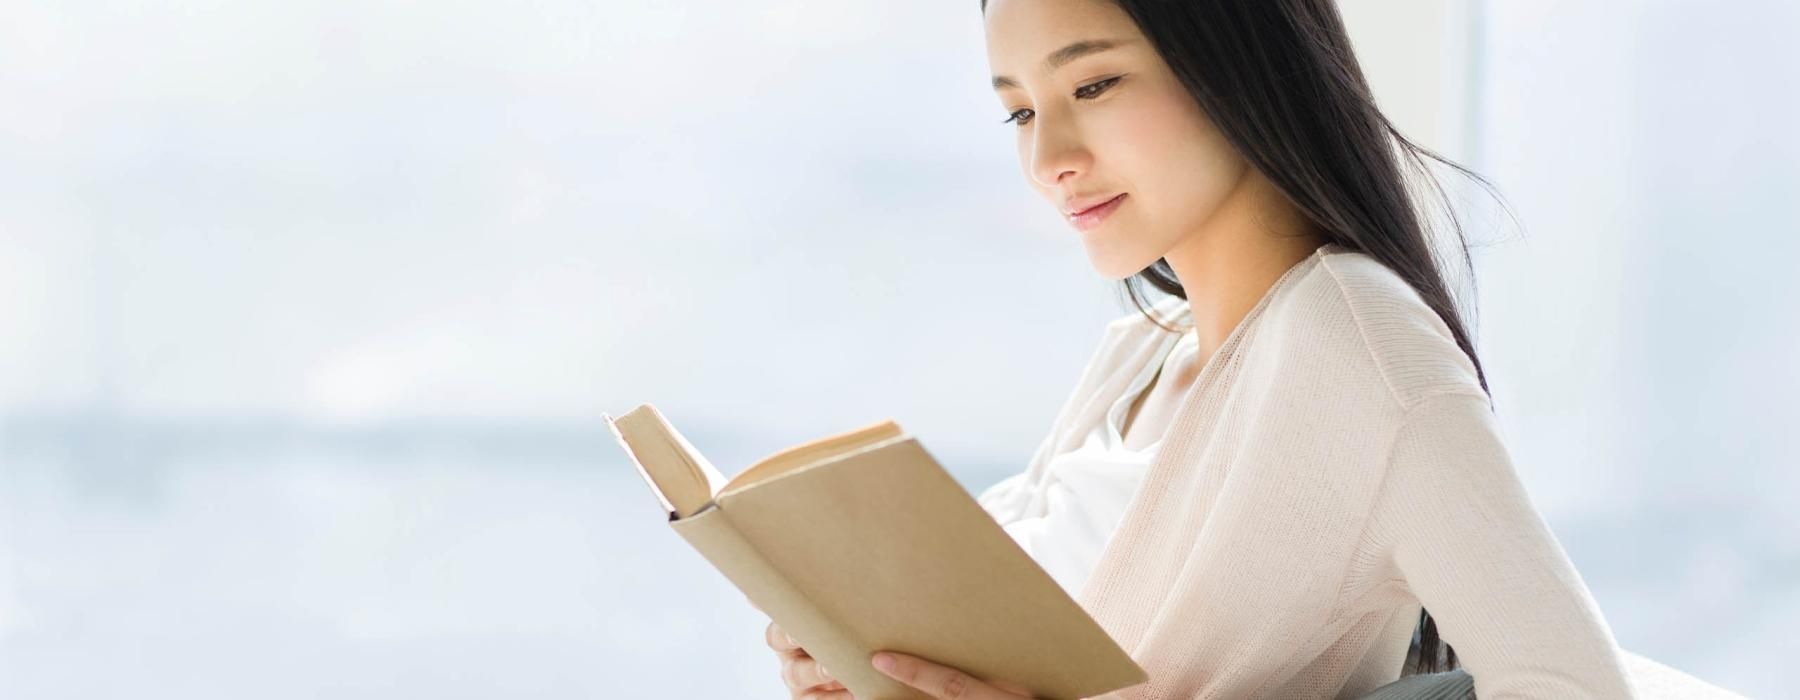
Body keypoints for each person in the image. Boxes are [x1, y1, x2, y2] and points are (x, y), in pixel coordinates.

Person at [768, 0, 1637, 698]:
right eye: (1021, 111)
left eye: (1096, 85)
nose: (1049, 157)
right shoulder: (1139, 356)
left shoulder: (1358, 348)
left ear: (1240, 65)